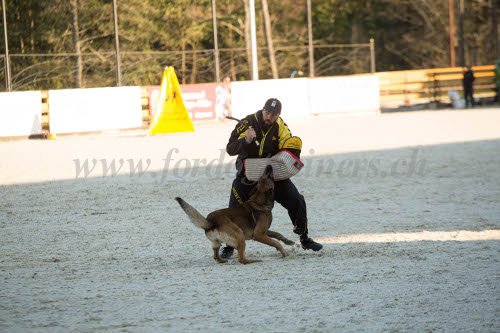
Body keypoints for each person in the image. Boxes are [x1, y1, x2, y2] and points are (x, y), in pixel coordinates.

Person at [220, 97, 323, 259]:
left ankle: (304, 238)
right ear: (263, 110)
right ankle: (229, 246)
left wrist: (293, 149)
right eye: (267, 112)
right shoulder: (246, 123)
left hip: (271, 175)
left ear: (278, 115)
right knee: (234, 208)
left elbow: (288, 147)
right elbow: (230, 149)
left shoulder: (280, 126)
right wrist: (245, 140)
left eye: (274, 114)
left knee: (296, 200)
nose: (269, 117)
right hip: (248, 175)